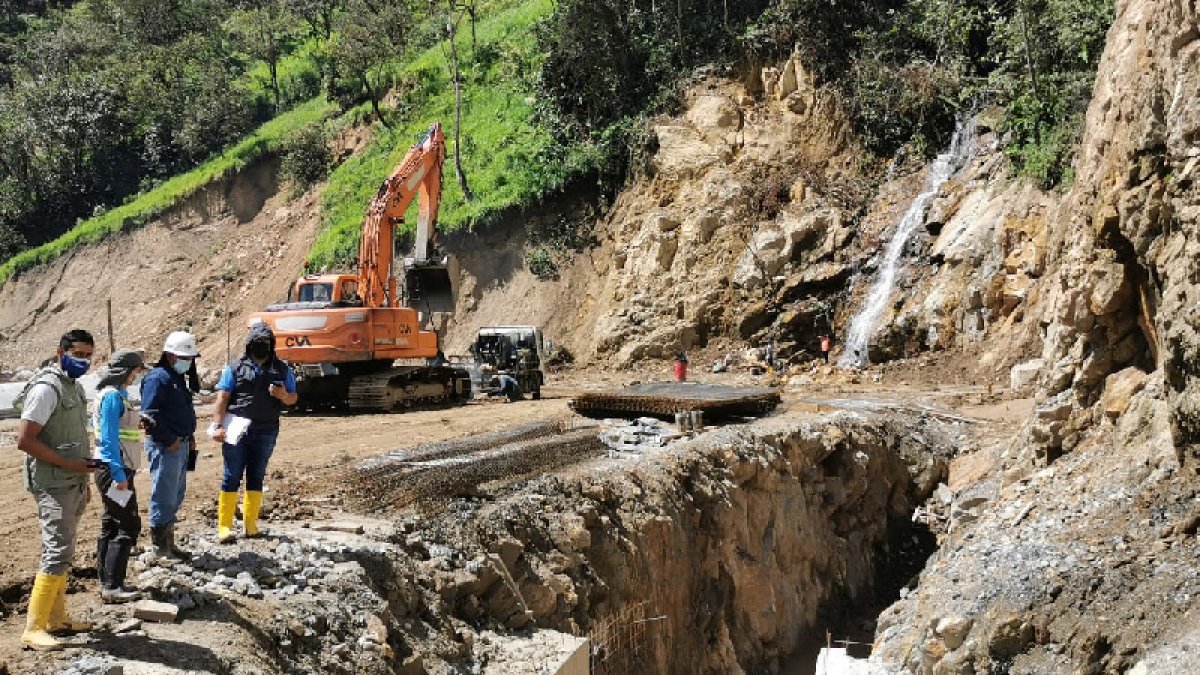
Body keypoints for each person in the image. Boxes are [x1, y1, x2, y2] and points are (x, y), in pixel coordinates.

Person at [13, 329, 98, 651]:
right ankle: (33, 628)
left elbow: (74, 438)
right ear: (60, 352)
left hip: (71, 481)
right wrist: (70, 466)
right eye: (78, 354)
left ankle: (57, 617)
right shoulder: (47, 389)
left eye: (89, 356)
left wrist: (82, 479)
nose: (84, 361)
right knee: (56, 550)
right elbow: (25, 440)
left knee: (65, 549)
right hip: (53, 482)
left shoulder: (72, 387)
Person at [210, 323, 297, 543]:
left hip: (267, 429)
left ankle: (251, 525)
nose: (261, 346)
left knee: (256, 475)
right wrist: (217, 425)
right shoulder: (235, 368)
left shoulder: (282, 369)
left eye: (265, 342)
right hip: (236, 430)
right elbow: (223, 397)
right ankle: (224, 527)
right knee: (232, 475)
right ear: (249, 344)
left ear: (271, 345)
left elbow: (293, 398)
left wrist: (282, 395)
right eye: (258, 342)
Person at [90, 349, 149, 604]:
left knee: (111, 523)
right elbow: (109, 439)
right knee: (128, 525)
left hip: (115, 468)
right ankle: (113, 586)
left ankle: (106, 581)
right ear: (126, 371)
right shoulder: (113, 397)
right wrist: (118, 475)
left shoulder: (114, 395)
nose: (137, 376)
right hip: (115, 469)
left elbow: (120, 429)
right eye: (135, 371)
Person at [140, 331, 200, 560]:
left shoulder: (175, 378)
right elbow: (148, 416)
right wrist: (169, 439)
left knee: (175, 494)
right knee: (163, 495)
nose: (188, 362)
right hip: (166, 446)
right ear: (169, 355)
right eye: (184, 358)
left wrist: (188, 436)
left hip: (180, 444)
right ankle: (160, 547)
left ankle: (169, 544)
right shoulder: (158, 379)